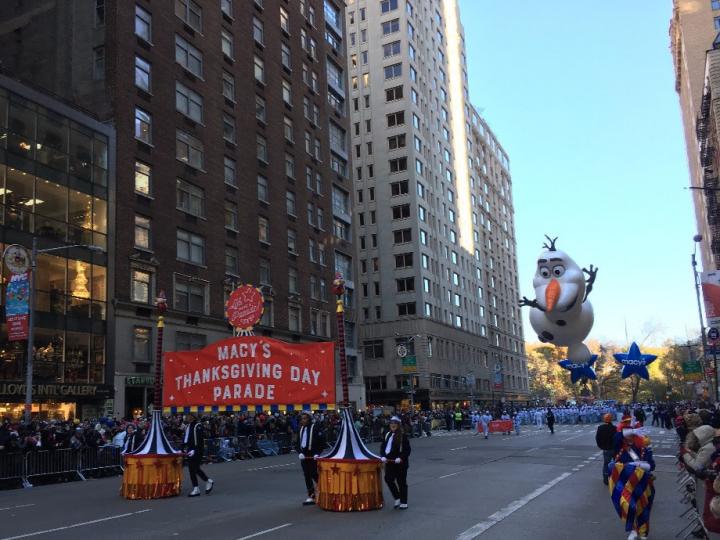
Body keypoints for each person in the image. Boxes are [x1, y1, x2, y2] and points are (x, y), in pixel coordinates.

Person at [608, 419, 656, 540]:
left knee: (643, 508)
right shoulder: (619, 446)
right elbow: (616, 437)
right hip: (624, 484)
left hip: (642, 482)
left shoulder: (643, 447)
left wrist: (639, 465)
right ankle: (633, 530)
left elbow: (652, 465)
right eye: (627, 432)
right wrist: (631, 429)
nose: (629, 436)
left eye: (632, 433)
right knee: (627, 505)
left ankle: (643, 532)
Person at [380, 416, 411, 509]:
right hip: (390, 462)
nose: (392, 425)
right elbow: (383, 446)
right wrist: (383, 456)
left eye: (394, 423)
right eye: (391, 423)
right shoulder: (387, 434)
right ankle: (397, 497)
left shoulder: (402, 436)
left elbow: (407, 450)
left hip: (400, 463)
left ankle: (404, 502)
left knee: (401, 482)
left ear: (398, 425)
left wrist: (400, 458)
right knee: (388, 479)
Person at [297, 411, 324, 505]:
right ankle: (311, 496)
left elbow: (322, 441)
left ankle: (324, 490)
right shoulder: (300, 429)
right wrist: (300, 452)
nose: (303, 420)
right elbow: (297, 443)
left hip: (313, 454)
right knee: (307, 475)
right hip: (304, 455)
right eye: (302, 419)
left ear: (309, 419)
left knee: (314, 473)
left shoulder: (315, 427)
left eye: (305, 418)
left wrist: (318, 453)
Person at [183, 413, 214, 497]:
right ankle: (196, 488)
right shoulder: (188, 426)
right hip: (190, 450)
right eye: (187, 415)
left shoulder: (198, 426)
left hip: (197, 450)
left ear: (192, 417)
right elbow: (185, 439)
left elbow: (200, 440)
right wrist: (181, 449)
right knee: (191, 469)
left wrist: (195, 450)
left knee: (195, 468)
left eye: (188, 415)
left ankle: (207, 480)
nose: (187, 417)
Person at [595, 413, 616, 485]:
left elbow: (598, 438)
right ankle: (615, 478)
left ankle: (606, 480)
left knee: (606, 464)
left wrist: (601, 447)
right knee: (616, 464)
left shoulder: (600, 428)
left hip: (606, 449)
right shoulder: (614, 428)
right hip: (614, 449)